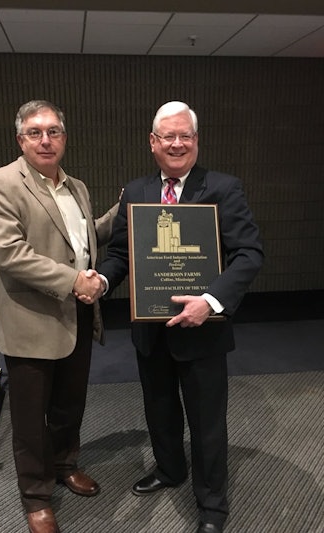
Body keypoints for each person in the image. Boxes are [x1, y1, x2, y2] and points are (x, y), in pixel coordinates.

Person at [97, 101, 264, 533]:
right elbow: (120, 253)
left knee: (207, 423)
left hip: (203, 330)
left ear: (195, 140)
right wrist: (101, 281)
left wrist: (210, 300)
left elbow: (249, 254)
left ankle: (212, 508)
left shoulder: (223, 188)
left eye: (184, 135)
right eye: (167, 136)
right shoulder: (136, 193)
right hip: (149, 330)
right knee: (160, 409)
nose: (176, 143)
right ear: (153, 142)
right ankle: (170, 470)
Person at [0, 100, 118, 533]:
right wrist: (76, 282)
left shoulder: (75, 186)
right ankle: (36, 497)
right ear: (21, 139)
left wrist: (125, 210)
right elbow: (9, 254)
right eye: (35, 132)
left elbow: (82, 238)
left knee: (68, 405)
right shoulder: (0, 183)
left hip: (76, 316)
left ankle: (64, 465)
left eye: (54, 131)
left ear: (64, 138)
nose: (46, 139)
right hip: (30, 320)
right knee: (29, 417)